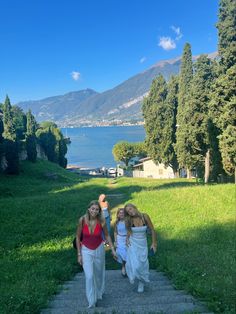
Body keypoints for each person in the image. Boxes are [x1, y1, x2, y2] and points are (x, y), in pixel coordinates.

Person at [76, 200, 117, 308]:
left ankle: (99, 292)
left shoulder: (101, 221)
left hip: (99, 248)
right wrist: (79, 254)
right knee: (89, 276)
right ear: (88, 209)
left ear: (99, 211)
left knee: (98, 274)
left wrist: (112, 249)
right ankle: (91, 301)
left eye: (97, 209)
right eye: (92, 208)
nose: (94, 211)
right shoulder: (82, 220)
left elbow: (107, 236)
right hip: (86, 250)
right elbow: (77, 237)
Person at [124, 203, 157, 293]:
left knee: (143, 263)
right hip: (133, 243)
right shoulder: (129, 220)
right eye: (128, 211)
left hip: (143, 244)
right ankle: (132, 274)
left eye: (130, 209)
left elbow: (153, 230)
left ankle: (141, 282)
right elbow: (129, 232)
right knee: (135, 264)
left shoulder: (144, 216)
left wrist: (154, 243)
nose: (130, 212)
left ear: (134, 207)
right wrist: (127, 239)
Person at [114, 208, 127, 276]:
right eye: (120, 213)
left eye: (123, 213)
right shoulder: (117, 222)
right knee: (121, 254)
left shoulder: (128, 222)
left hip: (127, 239)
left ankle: (126, 267)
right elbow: (115, 232)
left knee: (126, 255)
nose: (121, 214)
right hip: (119, 239)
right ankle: (123, 266)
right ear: (118, 215)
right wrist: (115, 241)